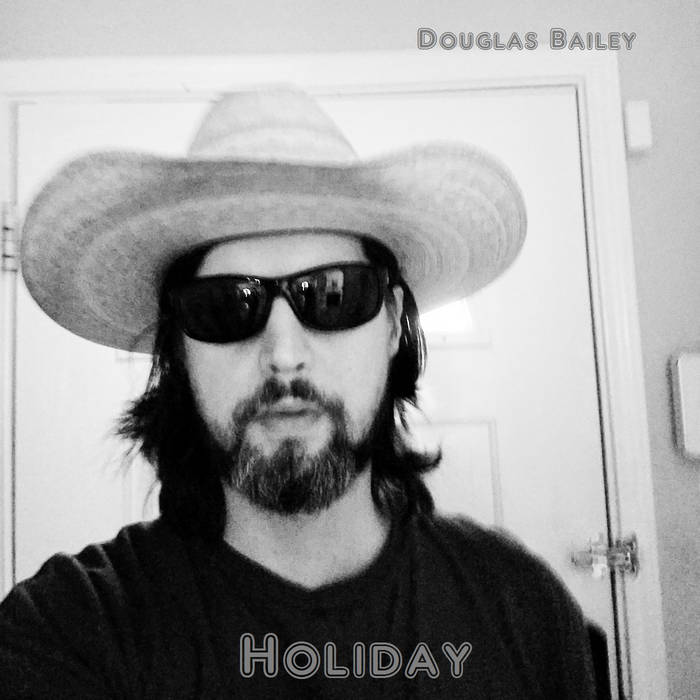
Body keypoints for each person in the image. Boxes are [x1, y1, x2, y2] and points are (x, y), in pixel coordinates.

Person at [0, 87, 597, 698]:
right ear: (178, 347)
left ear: (393, 322)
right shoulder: (70, 631)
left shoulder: (520, 606)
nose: (284, 353)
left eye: (333, 295)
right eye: (228, 305)